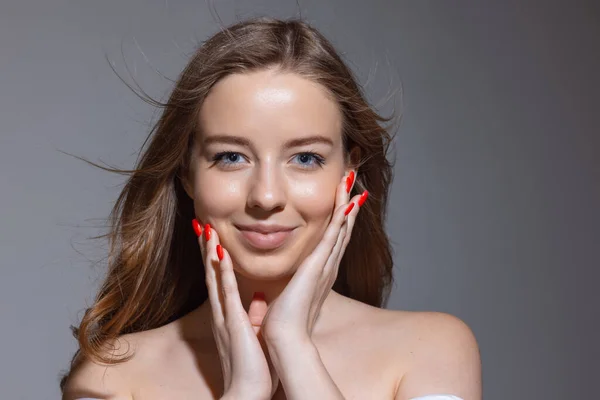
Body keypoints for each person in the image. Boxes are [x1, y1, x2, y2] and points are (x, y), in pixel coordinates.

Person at [60, 17, 481, 400]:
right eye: (230, 157)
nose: (265, 196)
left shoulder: (430, 350)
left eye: (305, 158)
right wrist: (244, 391)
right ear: (186, 172)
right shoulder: (113, 375)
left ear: (348, 172)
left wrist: (293, 349)